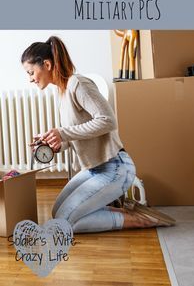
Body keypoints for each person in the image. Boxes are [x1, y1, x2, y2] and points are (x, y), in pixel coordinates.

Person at [21, 35, 174, 233]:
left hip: (115, 168)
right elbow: (77, 134)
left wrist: (62, 133)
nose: (30, 78)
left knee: (65, 221)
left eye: (31, 72)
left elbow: (108, 121)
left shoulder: (78, 84)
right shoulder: (62, 93)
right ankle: (115, 209)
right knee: (57, 211)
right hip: (94, 169)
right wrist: (55, 143)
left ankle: (137, 219)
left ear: (47, 65)